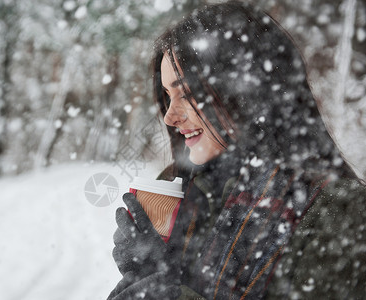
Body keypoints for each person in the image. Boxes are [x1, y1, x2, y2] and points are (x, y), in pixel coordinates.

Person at [108, 1, 366, 299]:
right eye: (168, 96)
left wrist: (169, 293)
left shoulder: (343, 216)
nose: (169, 116)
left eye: (187, 93)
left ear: (248, 91)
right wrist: (142, 275)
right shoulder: (180, 188)